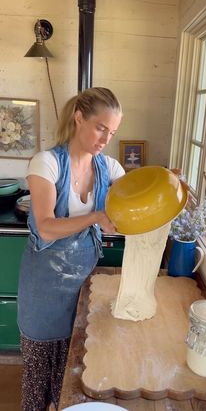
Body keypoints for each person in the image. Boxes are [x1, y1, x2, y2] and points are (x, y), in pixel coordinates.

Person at [17, 87, 125, 411]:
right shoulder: (47, 163)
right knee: (39, 379)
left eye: (113, 131)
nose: (106, 138)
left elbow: (136, 197)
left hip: (81, 292)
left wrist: (165, 183)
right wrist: (95, 216)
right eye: (100, 127)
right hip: (43, 294)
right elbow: (47, 225)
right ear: (79, 118)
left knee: (72, 377)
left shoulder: (109, 168)